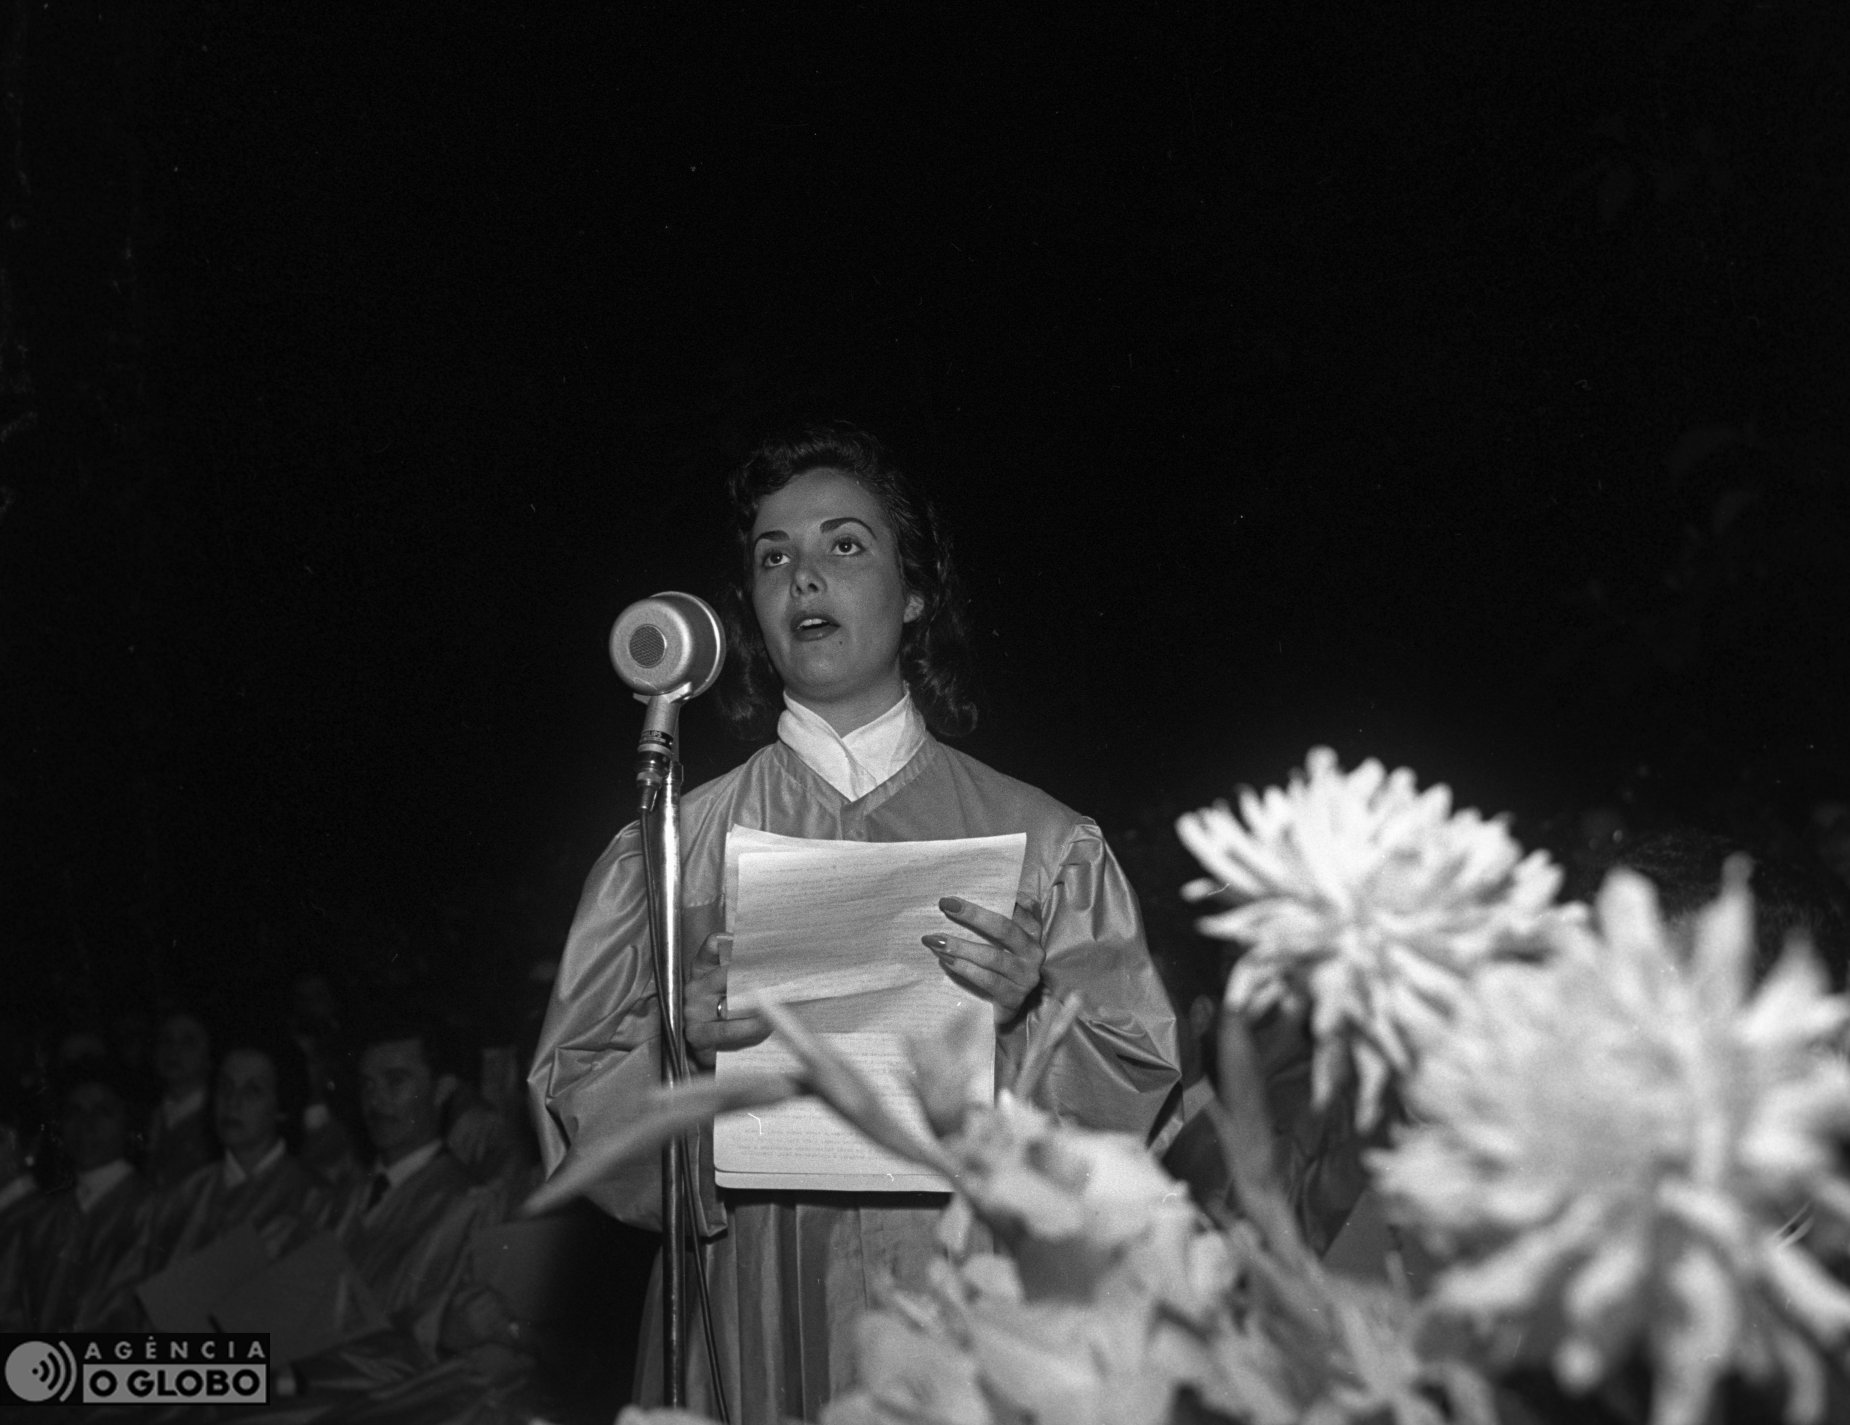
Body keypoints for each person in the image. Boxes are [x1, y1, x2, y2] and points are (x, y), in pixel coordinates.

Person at [529, 425, 1180, 1422]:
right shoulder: (668, 852)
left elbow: (1133, 1097)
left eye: (845, 544)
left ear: (914, 592)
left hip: (967, 1298)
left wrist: (1029, 1017)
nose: (803, 576)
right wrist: (685, 1054)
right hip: (747, 1292)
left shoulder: (1046, 846)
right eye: (773, 556)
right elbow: (577, 1091)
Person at [143, 1030, 330, 1272]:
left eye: (252, 1091)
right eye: (225, 1087)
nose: (233, 1101)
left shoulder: (314, 1199)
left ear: (282, 1105)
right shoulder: (180, 1199)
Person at [12, 1057, 155, 1329]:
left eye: (102, 1111)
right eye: (74, 1112)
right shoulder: (43, 1220)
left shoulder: (154, 1211)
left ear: (129, 1121)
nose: (86, 1124)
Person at [145, 1005, 217, 1189]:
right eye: (166, 1041)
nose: (173, 1050)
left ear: (209, 1055)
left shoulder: (218, 1118)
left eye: (188, 1042)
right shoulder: (145, 1117)